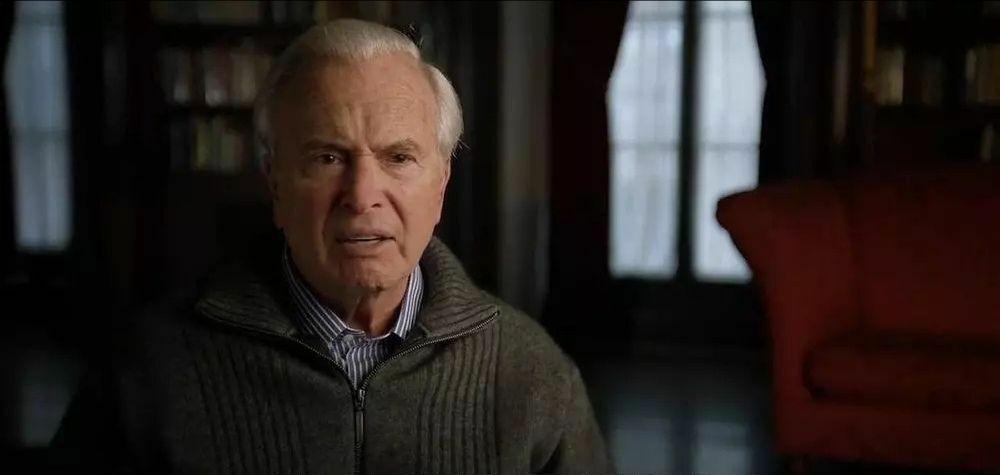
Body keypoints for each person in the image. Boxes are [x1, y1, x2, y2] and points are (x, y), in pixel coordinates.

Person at [54, 18, 611, 474]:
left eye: (399, 157)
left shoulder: (532, 372)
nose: (362, 195)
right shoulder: (150, 370)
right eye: (327, 158)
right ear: (274, 183)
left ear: (441, 185)